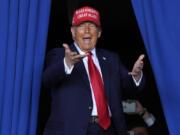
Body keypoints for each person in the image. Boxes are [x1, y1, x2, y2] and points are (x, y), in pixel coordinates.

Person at [42, 6, 145, 135]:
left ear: (99, 32)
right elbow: (47, 80)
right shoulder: (58, 55)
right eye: (81, 26)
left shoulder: (112, 59)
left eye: (91, 26)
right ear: (73, 32)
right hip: (72, 130)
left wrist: (136, 76)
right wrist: (66, 63)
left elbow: (131, 88)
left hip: (108, 130)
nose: (86, 31)